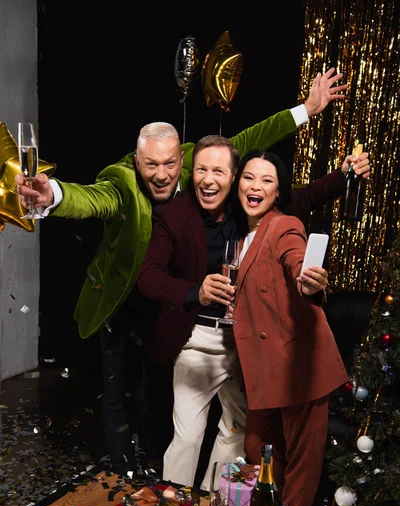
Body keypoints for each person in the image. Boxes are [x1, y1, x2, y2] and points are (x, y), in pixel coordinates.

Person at [16, 68, 349, 477]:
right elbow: (92, 201)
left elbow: (259, 152)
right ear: (137, 161)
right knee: (124, 389)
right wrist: (55, 196)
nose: (161, 174)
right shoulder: (129, 186)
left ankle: (204, 500)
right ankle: (131, 480)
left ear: (185, 161)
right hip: (125, 301)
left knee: (210, 420)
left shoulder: (216, 177)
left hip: (205, 323)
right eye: (151, 164)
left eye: (170, 163)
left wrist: (309, 111)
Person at [136, 136, 367, 492]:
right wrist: (194, 291)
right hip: (196, 338)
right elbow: (148, 275)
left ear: (232, 176)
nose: (209, 180)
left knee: (237, 433)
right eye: (201, 170)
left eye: (219, 171)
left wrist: (341, 176)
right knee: (188, 437)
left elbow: (296, 206)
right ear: (189, 171)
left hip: (245, 346)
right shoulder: (173, 215)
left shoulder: (248, 207)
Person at [231, 149, 349, 506]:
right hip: (267, 367)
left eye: (267, 180)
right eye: (249, 177)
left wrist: (307, 280)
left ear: (279, 192)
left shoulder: (283, 226)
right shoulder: (240, 236)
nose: (255, 186)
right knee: (256, 447)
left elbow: (296, 259)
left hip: (301, 362)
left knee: (302, 460)